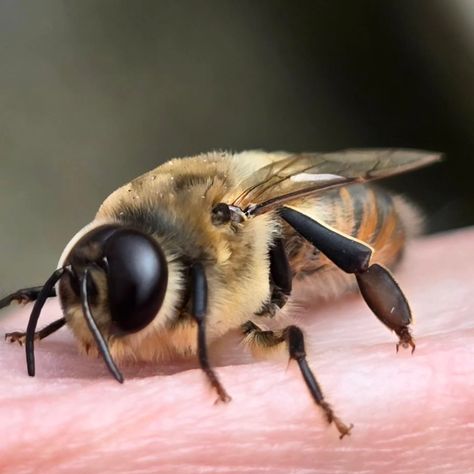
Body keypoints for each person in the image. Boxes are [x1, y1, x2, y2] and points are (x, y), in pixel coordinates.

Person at [0, 229, 472, 473]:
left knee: (280, 316)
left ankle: (396, 321)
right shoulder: (142, 250)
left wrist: (207, 362)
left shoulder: (210, 254)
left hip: (333, 223)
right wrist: (44, 333)